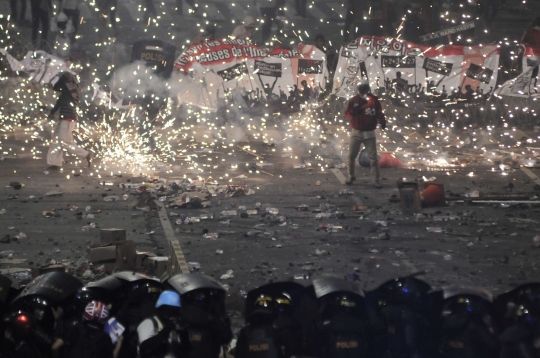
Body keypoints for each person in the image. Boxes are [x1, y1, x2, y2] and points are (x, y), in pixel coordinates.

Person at [47, 65, 92, 170]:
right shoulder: (67, 88)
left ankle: (85, 154)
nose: (65, 74)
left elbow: (57, 86)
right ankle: (55, 163)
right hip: (65, 118)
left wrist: (61, 75)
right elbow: (59, 100)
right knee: (56, 141)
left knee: (64, 143)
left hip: (68, 118)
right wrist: (52, 112)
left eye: (67, 73)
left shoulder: (71, 87)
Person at [344, 79, 386, 187]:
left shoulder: (373, 100)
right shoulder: (354, 100)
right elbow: (347, 115)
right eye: (362, 87)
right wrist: (356, 109)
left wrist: (382, 122)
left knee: (373, 158)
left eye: (364, 87)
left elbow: (379, 113)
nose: (363, 89)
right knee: (351, 156)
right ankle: (351, 176)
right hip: (356, 132)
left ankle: (376, 180)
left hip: (369, 133)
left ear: (368, 88)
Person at [137, 290, 191, 358]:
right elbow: (145, 348)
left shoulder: (173, 327)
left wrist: (183, 334)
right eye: (170, 310)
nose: (173, 313)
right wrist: (166, 331)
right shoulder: (150, 323)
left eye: (175, 310)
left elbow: (185, 351)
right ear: (161, 309)